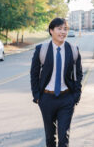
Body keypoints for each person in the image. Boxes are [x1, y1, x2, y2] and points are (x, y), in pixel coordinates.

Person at [30, 18, 83, 147]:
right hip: (46, 98)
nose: (63, 32)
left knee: (64, 137)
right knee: (50, 137)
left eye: (65, 29)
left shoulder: (73, 49)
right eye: (59, 29)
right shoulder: (41, 49)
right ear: (51, 31)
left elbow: (78, 74)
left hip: (66, 98)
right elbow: (34, 74)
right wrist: (37, 96)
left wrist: (76, 96)